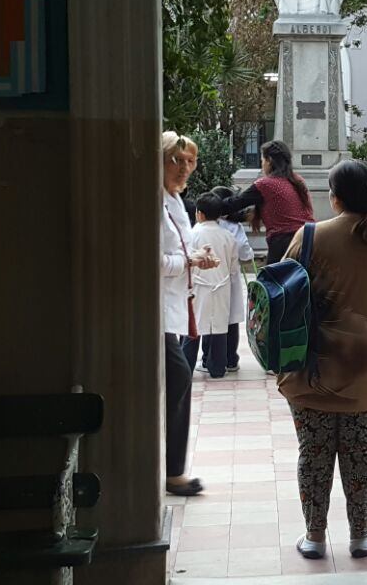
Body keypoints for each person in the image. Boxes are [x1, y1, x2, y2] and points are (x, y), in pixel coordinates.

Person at [279, 159, 367, 560]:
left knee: (313, 455)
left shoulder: (310, 236)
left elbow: (286, 296)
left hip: (312, 371)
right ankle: (360, 536)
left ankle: (314, 537)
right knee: (363, 456)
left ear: (335, 197)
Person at [160, 131, 217, 496]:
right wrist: (188, 261)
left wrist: (196, 260)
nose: (184, 169)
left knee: (178, 381)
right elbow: (150, 258)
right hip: (155, 308)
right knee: (179, 377)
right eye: (176, 160)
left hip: (175, 305)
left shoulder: (176, 202)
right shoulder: (154, 202)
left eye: (190, 162)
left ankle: (172, 469)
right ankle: (170, 469)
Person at [222, 140, 314, 265]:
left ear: (269, 160)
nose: (262, 165)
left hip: (285, 244)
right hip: (310, 241)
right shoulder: (298, 181)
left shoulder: (266, 184)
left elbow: (234, 203)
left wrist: (209, 205)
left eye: (262, 161)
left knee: (274, 283)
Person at [184, 192, 239, 379]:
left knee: (193, 328)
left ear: (199, 213)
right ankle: (217, 368)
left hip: (197, 287)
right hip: (221, 286)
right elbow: (233, 266)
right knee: (219, 328)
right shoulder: (228, 236)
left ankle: (186, 367)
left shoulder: (192, 234)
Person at [213, 185, 256, 373]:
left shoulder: (205, 226)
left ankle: (210, 359)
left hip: (210, 278)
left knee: (211, 319)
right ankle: (231, 359)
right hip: (230, 277)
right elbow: (245, 253)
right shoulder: (234, 227)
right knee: (231, 320)